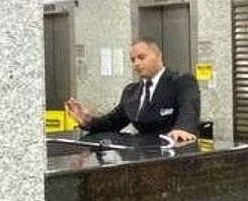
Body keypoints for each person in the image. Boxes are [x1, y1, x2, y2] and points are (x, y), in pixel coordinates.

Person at [64, 38, 200, 143]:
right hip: (143, 157)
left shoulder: (182, 81)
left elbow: (189, 108)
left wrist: (183, 128)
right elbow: (112, 122)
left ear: (159, 56)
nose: (136, 63)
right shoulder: (130, 92)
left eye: (142, 57)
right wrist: (87, 121)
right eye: (133, 60)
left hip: (174, 155)